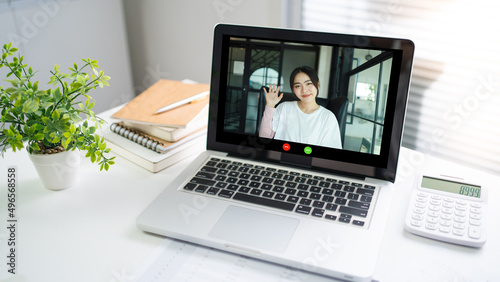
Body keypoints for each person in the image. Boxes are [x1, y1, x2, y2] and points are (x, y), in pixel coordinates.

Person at [258, 66, 342, 149]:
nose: (304, 90)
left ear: (318, 84)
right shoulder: (284, 108)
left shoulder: (328, 117)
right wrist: (270, 105)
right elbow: (264, 138)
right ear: (293, 89)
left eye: (308, 83)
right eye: (298, 86)